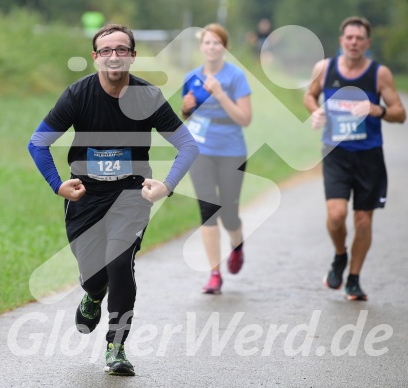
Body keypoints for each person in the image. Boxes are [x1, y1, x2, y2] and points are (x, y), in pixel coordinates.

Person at [27, 24, 198, 376]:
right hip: (85, 195)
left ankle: (116, 347)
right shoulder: (77, 95)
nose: (114, 56)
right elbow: (38, 143)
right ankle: (92, 293)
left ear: (133, 56)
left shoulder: (148, 97)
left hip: (131, 193)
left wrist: (166, 185)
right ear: (95, 58)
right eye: (106, 51)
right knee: (94, 274)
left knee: (119, 262)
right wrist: (57, 185)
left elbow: (188, 145)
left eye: (122, 50)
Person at [303, 16, 406, 301]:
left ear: (367, 43)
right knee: (336, 216)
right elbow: (309, 96)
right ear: (341, 41)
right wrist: (316, 111)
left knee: (362, 221)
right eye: (349, 37)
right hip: (335, 154)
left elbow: (400, 112)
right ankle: (339, 255)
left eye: (359, 38)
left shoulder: (379, 74)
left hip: (369, 156)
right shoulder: (324, 69)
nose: (354, 42)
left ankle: (354, 279)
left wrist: (378, 110)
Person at [181, 23, 252, 294]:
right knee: (208, 209)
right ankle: (214, 274)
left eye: (217, 43)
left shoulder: (236, 77)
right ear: (201, 46)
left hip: (232, 151)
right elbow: (187, 113)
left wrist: (220, 94)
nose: (212, 47)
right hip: (200, 151)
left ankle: (237, 245)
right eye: (207, 42)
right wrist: (186, 109)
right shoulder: (191, 77)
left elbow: (245, 119)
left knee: (229, 214)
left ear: (224, 47)